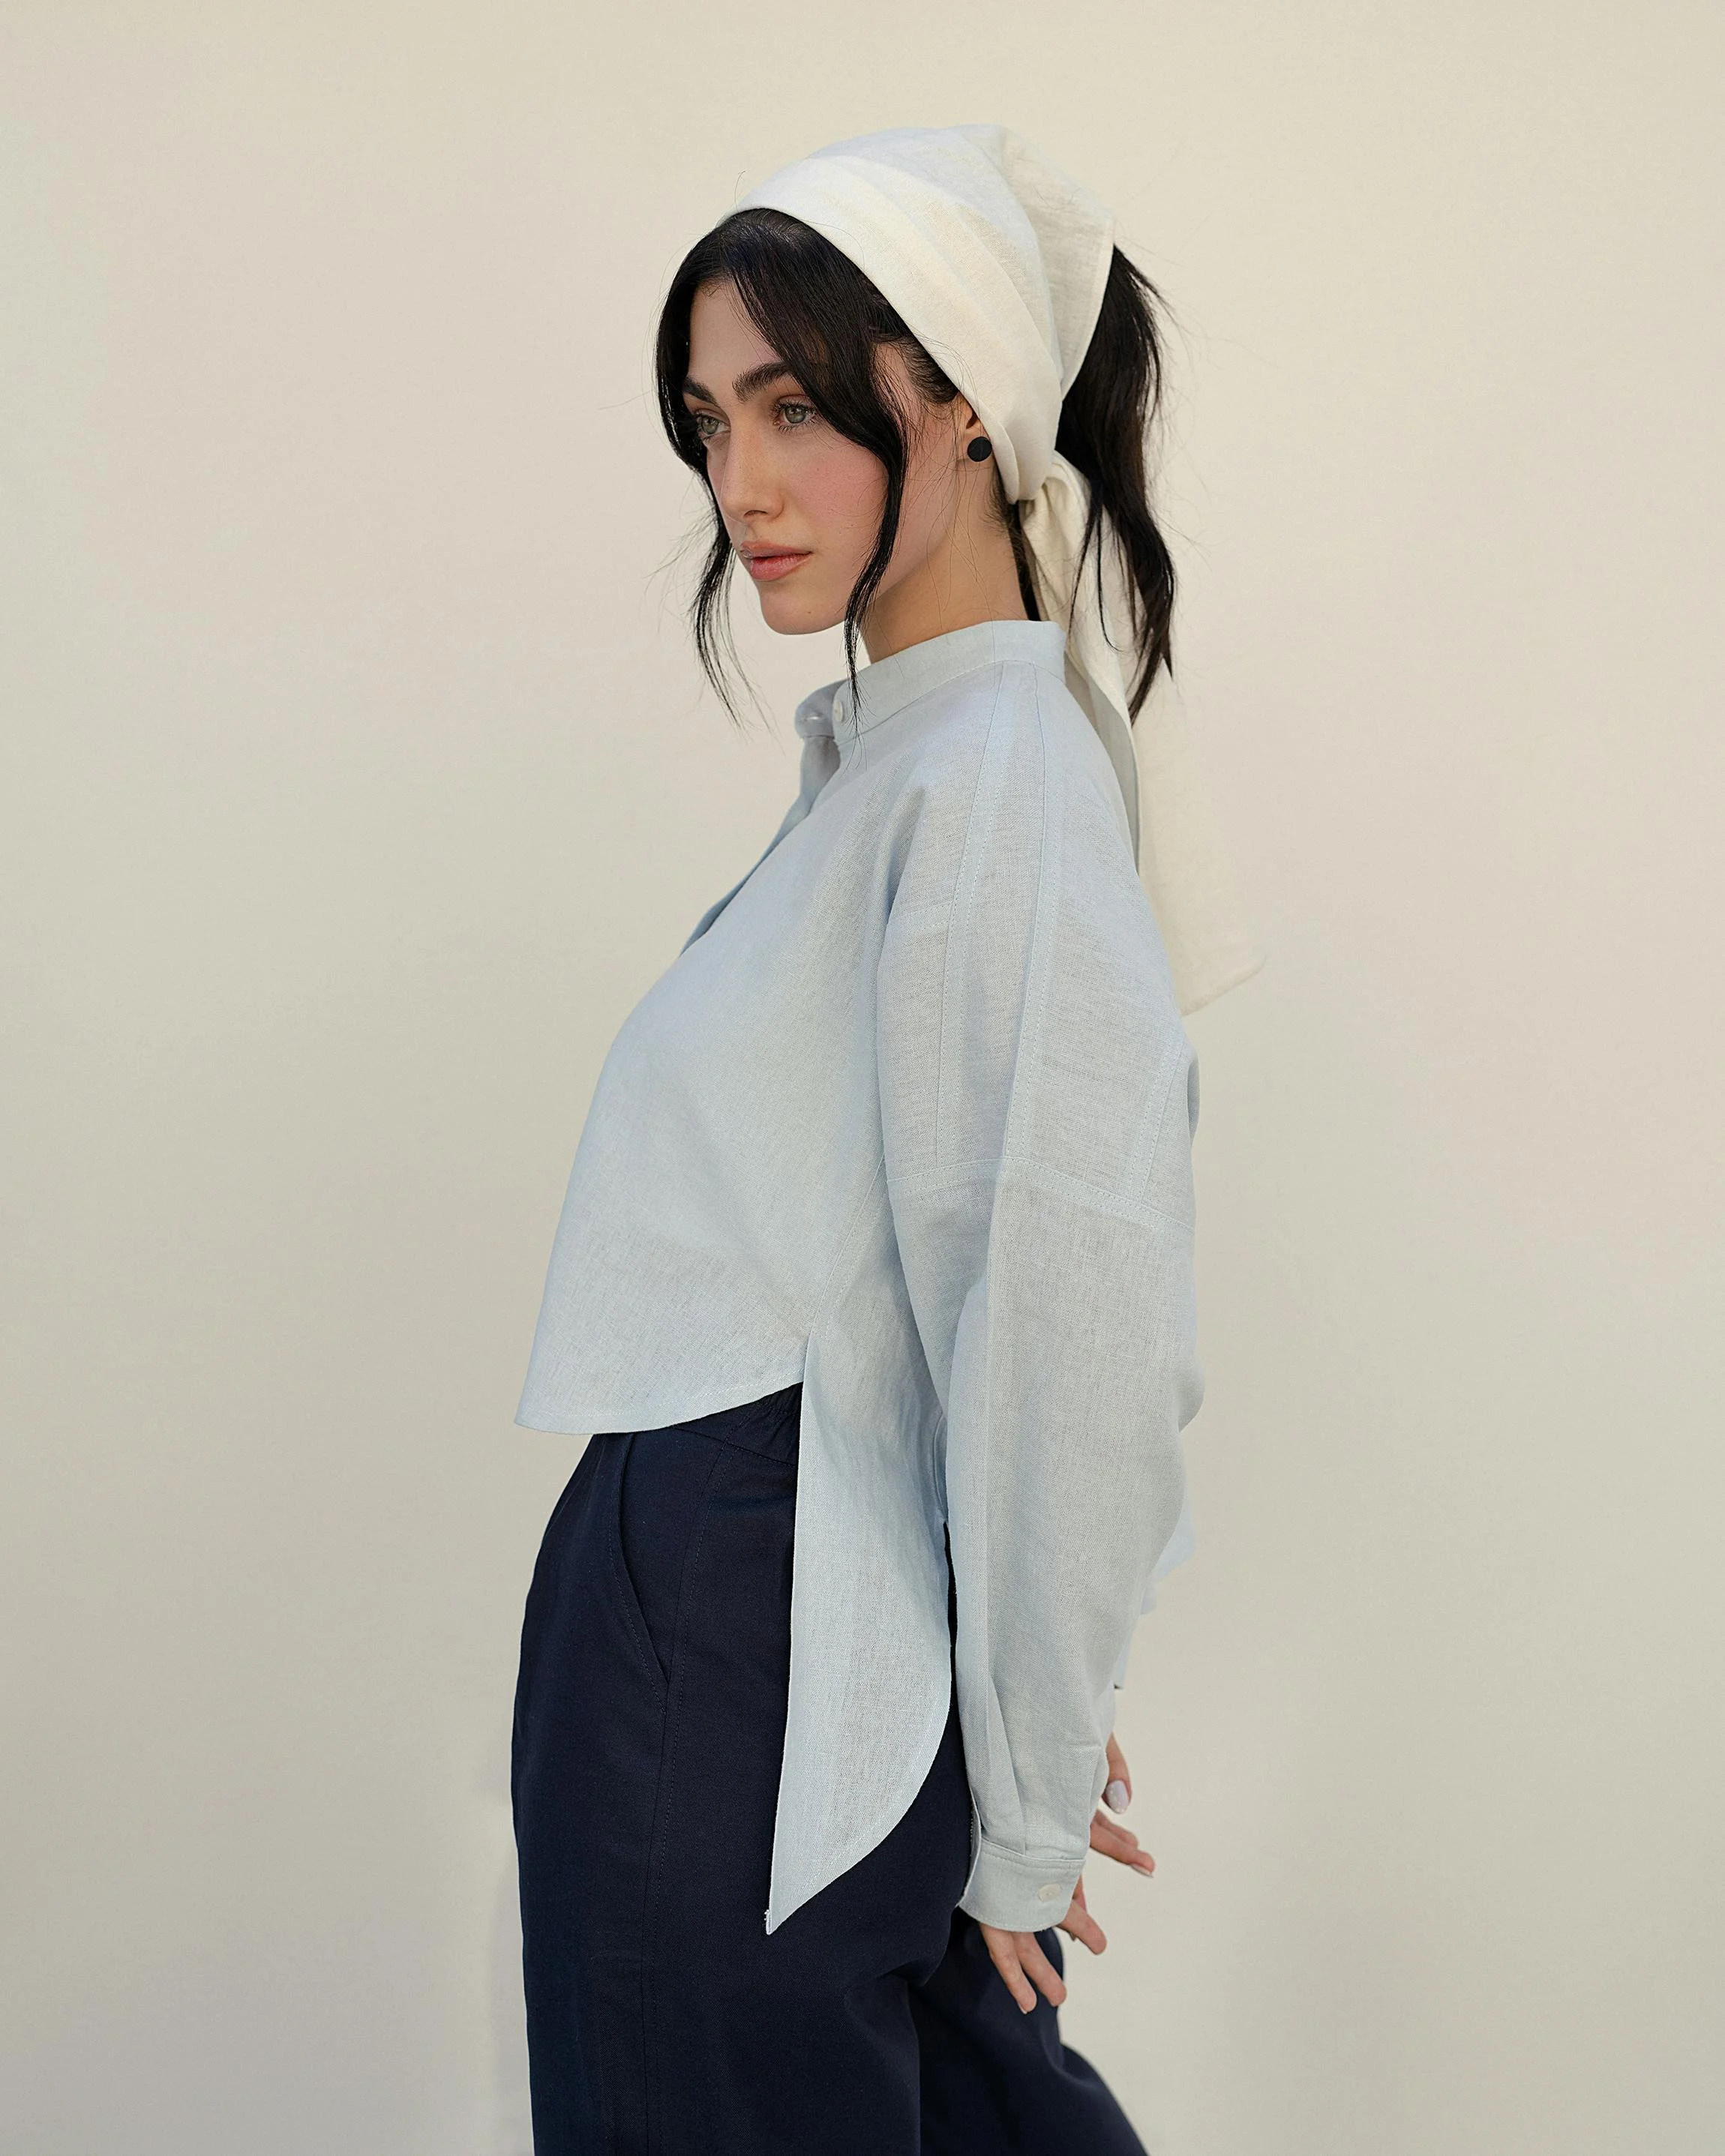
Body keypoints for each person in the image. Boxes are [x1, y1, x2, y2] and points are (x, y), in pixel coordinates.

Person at [509, 124, 1261, 2155]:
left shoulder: (991, 783)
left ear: (955, 399)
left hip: (747, 1654)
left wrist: (1021, 1786)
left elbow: (1064, 1316)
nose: (736, 484)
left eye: (788, 407)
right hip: (753, 1627)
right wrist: (1000, 1706)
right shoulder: (912, 767)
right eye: (703, 418)